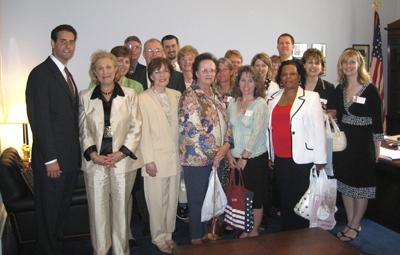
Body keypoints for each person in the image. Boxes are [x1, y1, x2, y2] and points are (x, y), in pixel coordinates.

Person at [79, 50, 142, 254]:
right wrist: (94, 155)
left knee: (121, 212)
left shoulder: (130, 95)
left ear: (116, 70)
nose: (104, 71)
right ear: (94, 73)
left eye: (108, 67)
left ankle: (121, 251)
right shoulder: (85, 97)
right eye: (100, 68)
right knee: (97, 213)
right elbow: (83, 131)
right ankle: (101, 251)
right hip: (95, 164)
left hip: (122, 162)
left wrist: (121, 153)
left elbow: (136, 127)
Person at [25, 24, 80, 255]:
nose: (67, 46)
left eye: (71, 42)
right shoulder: (40, 74)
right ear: (53, 43)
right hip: (53, 163)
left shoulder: (66, 73)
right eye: (63, 41)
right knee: (48, 216)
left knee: (60, 214)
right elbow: (40, 120)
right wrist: (50, 160)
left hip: (68, 160)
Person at [179, 53, 233, 244]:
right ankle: (196, 237)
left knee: (212, 197)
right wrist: (215, 153)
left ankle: (209, 232)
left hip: (217, 157)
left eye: (212, 70)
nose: (209, 73)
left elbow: (227, 123)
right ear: (196, 72)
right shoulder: (190, 96)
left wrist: (226, 146)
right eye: (204, 70)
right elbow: (193, 130)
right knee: (197, 199)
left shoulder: (217, 95)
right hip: (197, 158)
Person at [266, 60, 326, 230]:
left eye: (292, 73)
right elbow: (269, 129)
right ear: (280, 78)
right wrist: (270, 155)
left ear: (299, 76)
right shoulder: (273, 98)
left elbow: (318, 130)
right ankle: (287, 232)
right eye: (284, 74)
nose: (288, 77)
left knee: (301, 199)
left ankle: (300, 236)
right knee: (285, 198)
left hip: (303, 157)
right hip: (280, 157)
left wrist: (320, 159)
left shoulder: (311, 97)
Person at [334, 48, 383, 242]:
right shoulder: (340, 89)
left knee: (360, 185)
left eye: (352, 62)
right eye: (345, 62)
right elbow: (338, 115)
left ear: (359, 65)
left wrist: (377, 147)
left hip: (363, 146)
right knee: (346, 185)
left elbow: (377, 122)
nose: (348, 66)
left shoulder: (370, 90)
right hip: (345, 144)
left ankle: (355, 224)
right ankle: (350, 221)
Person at [139, 57, 181, 254]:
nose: (162, 75)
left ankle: (169, 235)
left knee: (172, 200)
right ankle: (158, 237)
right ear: (150, 75)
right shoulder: (142, 98)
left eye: (165, 71)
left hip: (175, 158)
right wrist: (148, 160)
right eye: (157, 72)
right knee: (156, 201)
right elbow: (142, 132)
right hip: (154, 158)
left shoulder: (176, 95)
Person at [226, 65, 269, 238]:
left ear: (256, 83)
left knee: (255, 196)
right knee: (242, 195)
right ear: (238, 83)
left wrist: (245, 156)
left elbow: (257, 133)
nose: (246, 84)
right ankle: (246, 227)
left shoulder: (260, 104)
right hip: (234, 158)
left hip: (254, 158)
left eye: (250, 80)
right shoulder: (232, 103)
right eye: (243, 80)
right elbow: (227, 130)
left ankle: (254, 230)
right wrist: (229, 154)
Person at [302, 48, 337, 117]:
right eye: (310, 62)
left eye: (317, 63)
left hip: (320, 126)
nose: (313, 66)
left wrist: (325, 116)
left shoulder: (329, 88)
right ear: (304, 65)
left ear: (321, 67)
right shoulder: (296, 86)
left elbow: (333, 111)